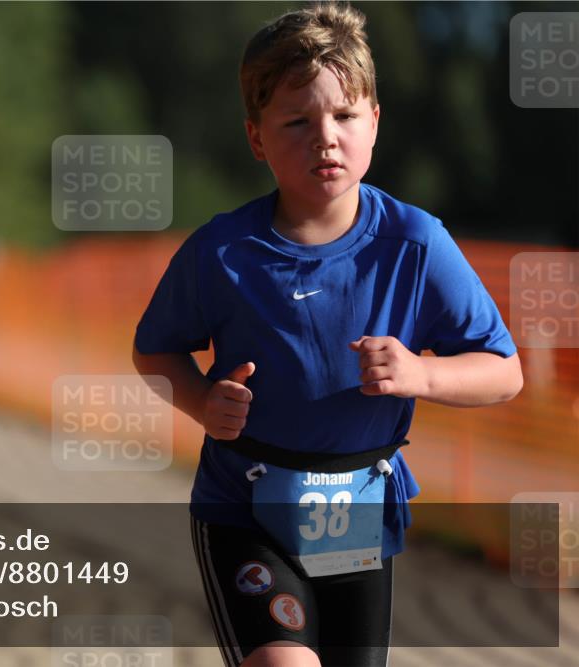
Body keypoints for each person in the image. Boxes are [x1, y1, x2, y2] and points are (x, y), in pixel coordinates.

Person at [131, 4, 523, 667]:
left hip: (357, 515)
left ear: (374, 121)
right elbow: (154, 349)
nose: (326, 138)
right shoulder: (222, 252)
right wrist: (202, 401)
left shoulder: (417, 243)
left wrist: (422, 374)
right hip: (246, 513)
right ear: (257, 138)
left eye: (343, 116)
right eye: (297, 122)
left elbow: (504, 371)